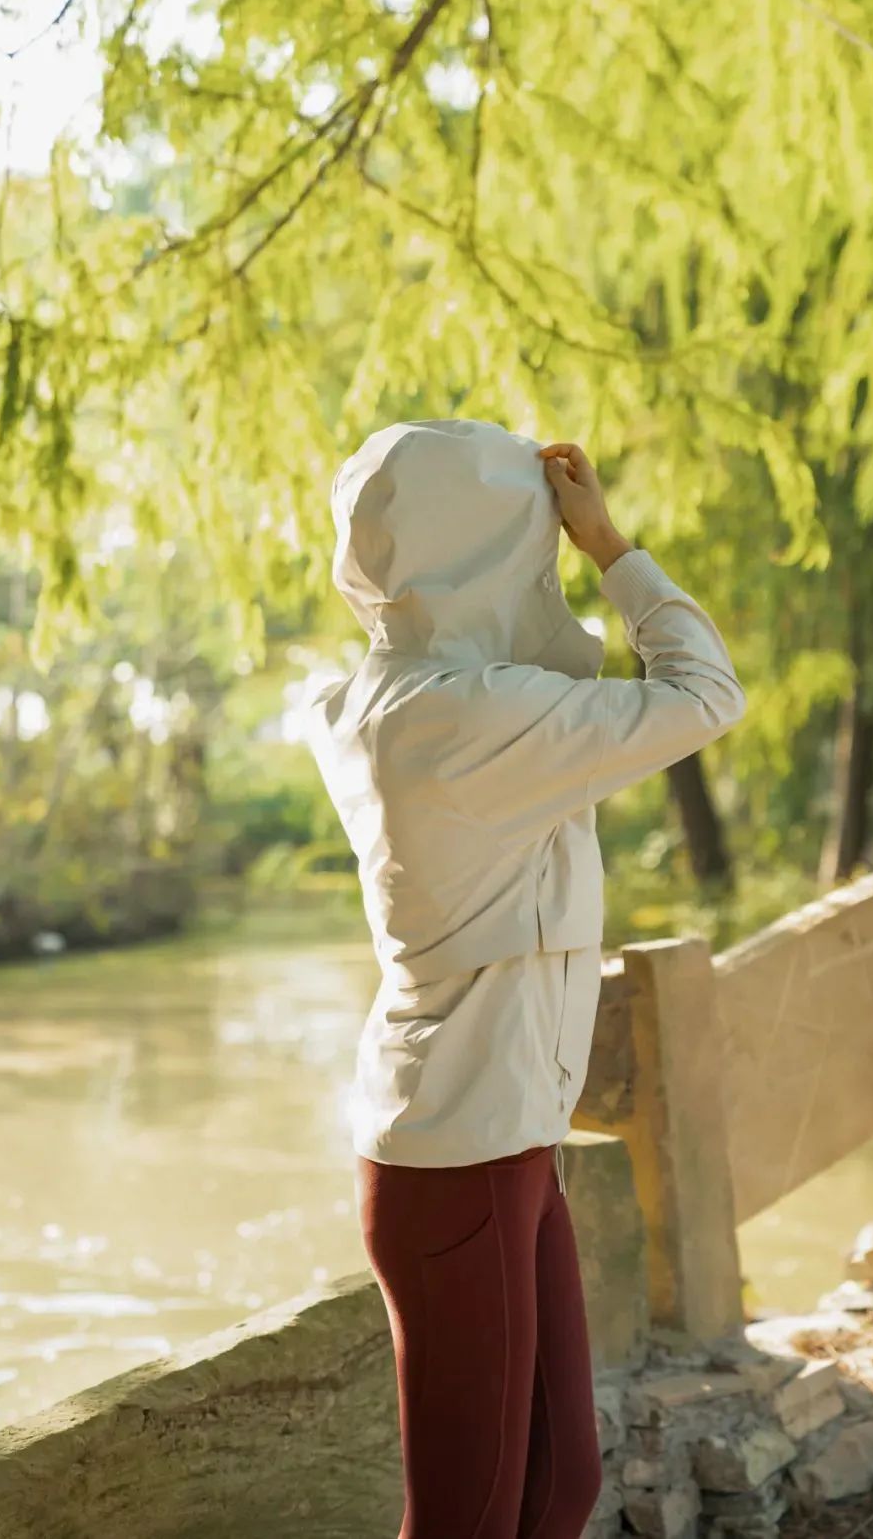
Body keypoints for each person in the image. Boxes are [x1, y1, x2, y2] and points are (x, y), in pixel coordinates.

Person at [304, 418, 746, 1538]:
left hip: (501, 1143)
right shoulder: (460, 719)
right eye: (524, 538)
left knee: (560, 1491)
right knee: (471, 1516)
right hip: (460, 1162)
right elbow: (704, 691)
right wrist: (609, 546)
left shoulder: (395, 700)